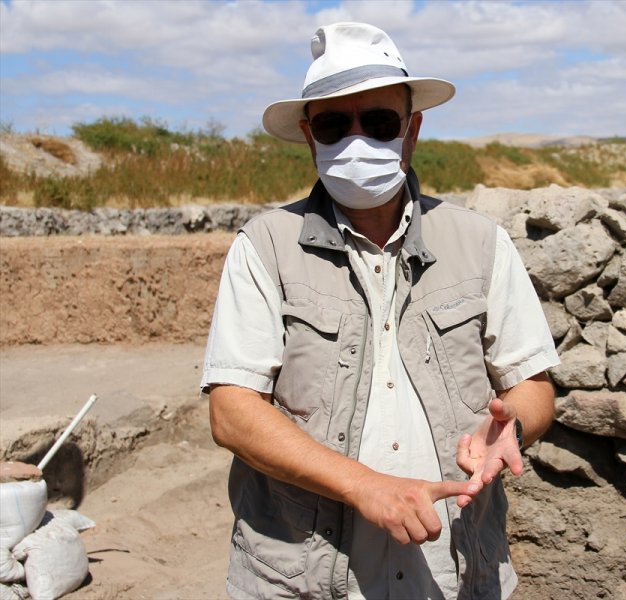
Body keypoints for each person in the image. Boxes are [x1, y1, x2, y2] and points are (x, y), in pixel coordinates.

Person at [201, 21, 559, 600]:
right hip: (306, 580)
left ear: (412, 130)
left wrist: (511, 426)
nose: (357, 141)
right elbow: (233, 412)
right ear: (309, 134)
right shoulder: (263, 248)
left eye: (380, 122)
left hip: (456, 572)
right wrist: (364, 486)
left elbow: (534, 385)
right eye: (334, 124)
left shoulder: (481, 243)